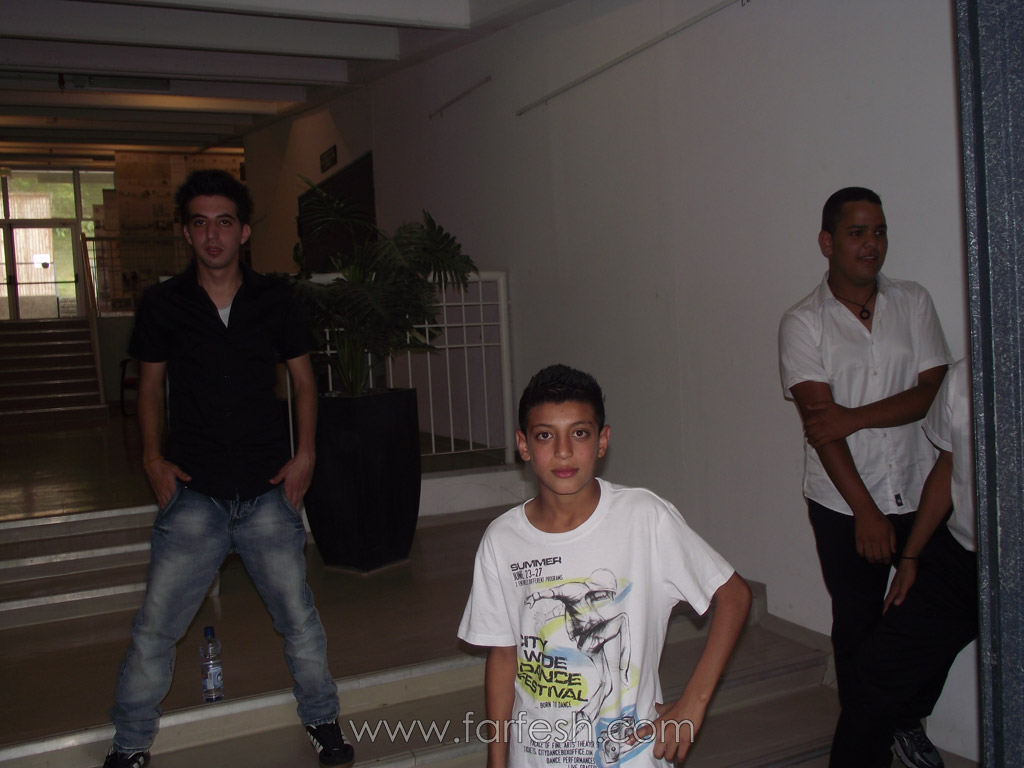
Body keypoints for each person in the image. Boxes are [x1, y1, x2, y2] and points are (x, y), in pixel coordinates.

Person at [103, 170, 353, 768]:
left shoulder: (275, 300)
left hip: (268, 490)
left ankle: (322, 720)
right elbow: (149, 388)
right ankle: (131, 743)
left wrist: (306, 455)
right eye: (200, 223)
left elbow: (304, 382)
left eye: (223, 222)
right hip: (194, 492)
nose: (212, 235)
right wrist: (152, 459)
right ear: (187, 233)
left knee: (299, 620)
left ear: (243, 232)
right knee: (156, 628)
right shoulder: (164, 304)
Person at [458, 364, 751, 767]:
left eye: (579, 433)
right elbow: (504, 656)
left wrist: (694, 702)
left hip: (633, 757)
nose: (563, 451)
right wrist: (497, 760)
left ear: (602, 441)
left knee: (609, 676)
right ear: (523, 445)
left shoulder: (643, 517)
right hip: (535, 756)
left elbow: (734, 595)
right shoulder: (502, 539)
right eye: (545, 435)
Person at [778, 187, 952, 768]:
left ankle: (905, 718)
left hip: (922, 490)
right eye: (856, 232)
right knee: (857, 629)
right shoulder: (802, 323)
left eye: (879, 231)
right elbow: (820, 428)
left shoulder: (914, 301)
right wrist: (867, 513)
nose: (870, 244)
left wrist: (852, 417)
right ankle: (865, 751)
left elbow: (932, 393)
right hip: (843, 502)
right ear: (827, 242)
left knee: (934, 620)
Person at [830, 357, 977, 767]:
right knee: (880, 667)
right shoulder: (963, 376)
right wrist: (911, 556)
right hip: (962, 555)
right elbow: (948, 465)